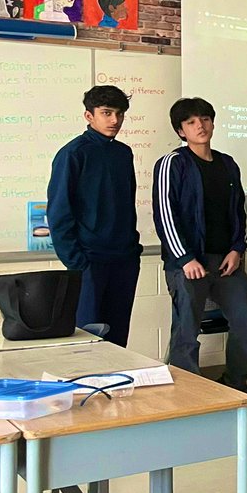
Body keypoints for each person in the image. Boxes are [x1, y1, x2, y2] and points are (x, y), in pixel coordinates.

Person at [153, 97, 247, 405]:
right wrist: (185, 258)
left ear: (212, 122)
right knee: (187, 329)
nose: (200, 126)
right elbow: (164, 213)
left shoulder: (228, 164)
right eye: (191, 122)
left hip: (227, 262)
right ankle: (187, 393)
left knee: (245, 320)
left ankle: (235, 382)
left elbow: (239, 213)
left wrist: (238, 249)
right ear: (181, 131)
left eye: (204, 119)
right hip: (188, 263)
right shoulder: (172, 163)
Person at [46, 85, 142, 347]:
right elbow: (59, 213)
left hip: (124, 259)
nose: (114, 120)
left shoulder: (123, 154)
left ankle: (114, 387)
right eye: (106, 113)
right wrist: (77, 262)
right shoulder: (73, 154)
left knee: (117, 338)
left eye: (119, 114)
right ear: (89, 116)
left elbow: (127, 205)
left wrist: (132, 249)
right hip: (89, 261)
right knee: (87, 338)